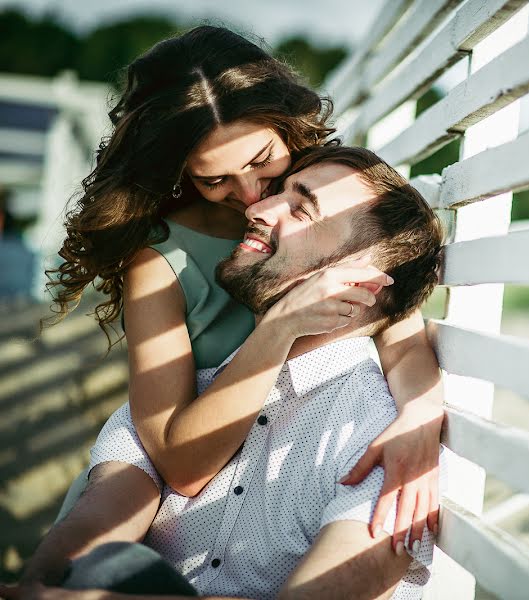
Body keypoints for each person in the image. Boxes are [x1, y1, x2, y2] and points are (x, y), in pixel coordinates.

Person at [22, 26, 442, 586]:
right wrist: (279, 328)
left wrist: (420, 411)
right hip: (165, 477)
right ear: (179, 170)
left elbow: (395, 322)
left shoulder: (325, 195)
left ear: (286, 126)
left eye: (264, 161)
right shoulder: (163, 258)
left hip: (267, 471)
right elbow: (168, 456)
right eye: (215, 179)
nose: (250, 196)